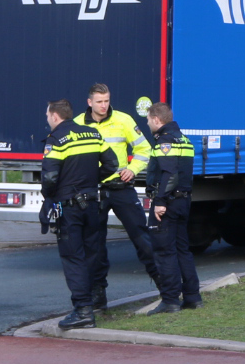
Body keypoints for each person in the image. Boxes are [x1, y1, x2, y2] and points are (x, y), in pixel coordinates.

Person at [76, 83, 161, 304]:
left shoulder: (123, 120)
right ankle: (98, 294)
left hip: (121, 188)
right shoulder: (77, 124)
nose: (104, 106)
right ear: (89, 102)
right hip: (93, 191)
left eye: (106, 101)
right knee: (94, 244)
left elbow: (144, 149)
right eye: (99, 102)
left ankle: (165, 285)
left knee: (141, 236)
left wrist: (132, 169)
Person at [41, 98, 117, 330]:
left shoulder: (56, 139)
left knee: (73, 257)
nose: (47, 119)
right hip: (92, 203)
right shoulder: (92, 134)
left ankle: (83, 310)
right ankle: (95, 299)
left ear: (55, 116)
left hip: (69, 207)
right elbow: (112, 163)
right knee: (92, 253)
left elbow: (50, 178)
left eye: (48, 115)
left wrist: (50, 196)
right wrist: (92, 180)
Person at [143, 101, 201, 313]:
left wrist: (159, 202)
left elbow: (169, 174)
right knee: (182, 250)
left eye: (148, 120)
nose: (148, 124)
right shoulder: (184, 139)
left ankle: (170, 300)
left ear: (156, 119)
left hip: (167, 203)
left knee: (164, 251)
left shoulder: (164, 141)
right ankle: (192, 297)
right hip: (183, 201)